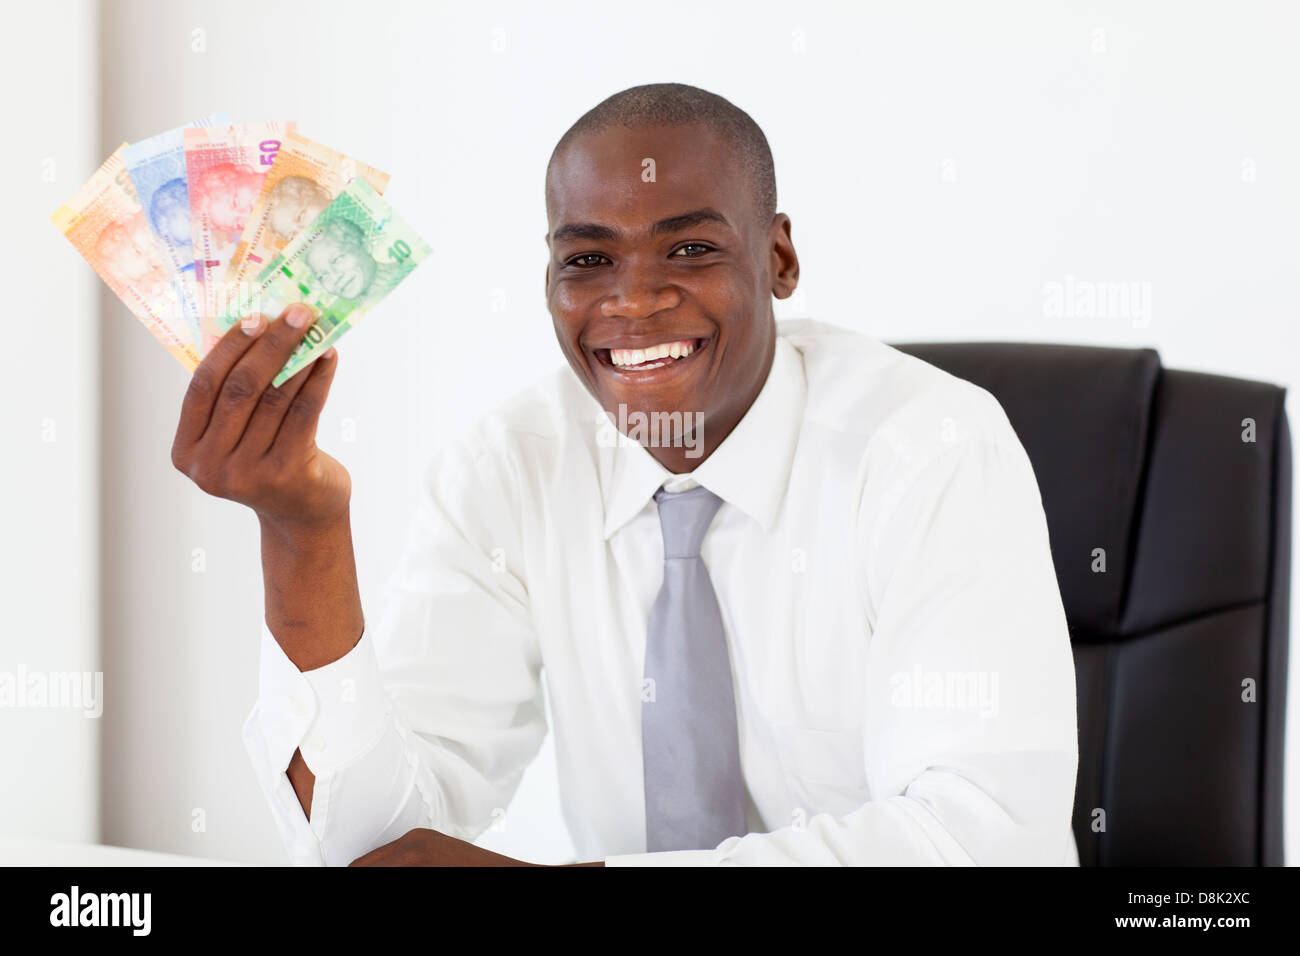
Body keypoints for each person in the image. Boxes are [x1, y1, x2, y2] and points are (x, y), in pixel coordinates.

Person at [171, 82, 1080, 866]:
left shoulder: (931, 450)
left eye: (690, 249)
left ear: (779, 258)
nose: (633, 301)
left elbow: (983, 842)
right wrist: (302, 531)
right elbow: (377, 839)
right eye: (589, 259)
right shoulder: (509, 468)